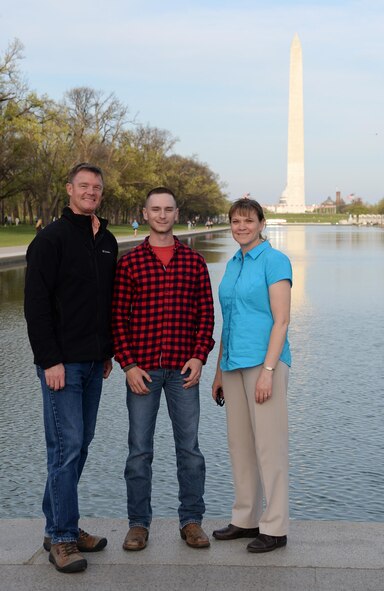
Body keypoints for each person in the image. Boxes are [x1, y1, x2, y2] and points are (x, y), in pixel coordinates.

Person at [24, 162, 118, 573]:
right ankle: (62, 538)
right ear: (69, 189)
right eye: (83, 186)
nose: (90, 192)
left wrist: (109, 351)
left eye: (96, 187)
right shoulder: (50, 239)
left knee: (78, 446)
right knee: (65, 449)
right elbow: (36, 306)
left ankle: (60, 523)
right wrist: (49, 360)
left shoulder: (108, 240)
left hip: (95, 362)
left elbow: (107, 302)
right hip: (61, 363)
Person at [112, 186, 215, 551]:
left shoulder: (194, 262)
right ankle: (138, 524)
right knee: (139, 451)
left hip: (183, 371)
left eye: (167, 209)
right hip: (143, 372)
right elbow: (118, 320)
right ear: (145, 213)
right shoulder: (130, 263)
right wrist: (128, 364)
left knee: (189, 449)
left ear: (176, 213)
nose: (161, 215)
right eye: (155, 209)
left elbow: (206, 315)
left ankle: (191, 521)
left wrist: (199, 356)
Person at [211, 198, 292, 553]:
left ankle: (274, 527)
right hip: (232, 364)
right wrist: (217, 371)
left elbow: (282, 320)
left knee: (269, 446)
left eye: (247, 220)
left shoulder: (275, 261)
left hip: (264, 364)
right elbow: (228, 322)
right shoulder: (233, 263)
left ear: (261, 223)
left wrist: (269, 371)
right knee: (240, 444)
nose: (241, 226)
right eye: (235, 221)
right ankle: (246, 518)